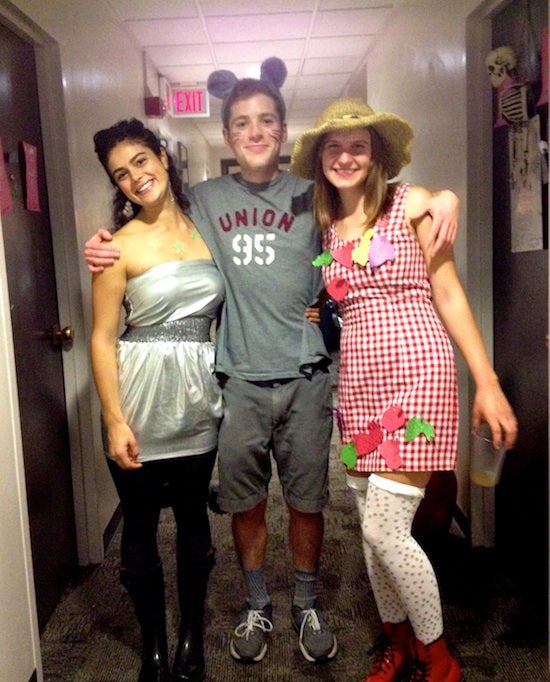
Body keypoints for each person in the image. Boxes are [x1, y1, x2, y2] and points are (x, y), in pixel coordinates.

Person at [84, 57, 461, 667]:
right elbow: (157, 227)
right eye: (241, 123)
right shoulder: (201, 201)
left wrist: (440, 193)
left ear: (283, 131)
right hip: (236, 383)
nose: (255, 132)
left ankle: (307, 602)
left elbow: (381, 203)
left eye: (266, 122)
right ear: (228, 134)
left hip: (310, 380)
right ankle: (257, 602)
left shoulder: (316, 198)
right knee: (247, 503)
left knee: (310, 501)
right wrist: (105, 239)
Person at [289, 97, 518, 682]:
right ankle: (401, 647)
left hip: (417, 374)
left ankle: (439, 662)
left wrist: (486, 382)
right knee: (370, 531)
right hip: (358, 384)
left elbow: (448, 294)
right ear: (320, 159)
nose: (345, 156)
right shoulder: (327, 223)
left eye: (358, 146)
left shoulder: (411, 204)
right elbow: (347, 303)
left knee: (383, 528)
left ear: (376, 154)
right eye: (334, 147)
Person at [90, 118, 224, 682]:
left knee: (194, 518)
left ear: (163, 158)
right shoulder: (116, 248)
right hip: (139, 400)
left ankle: (191, 641)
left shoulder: (208, 230)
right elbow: (101, 337)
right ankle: (153, 648)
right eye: (121, 174)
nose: (134, 177)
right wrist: (114, 418)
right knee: (141, 525)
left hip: (198, 398)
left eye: (140, 161)